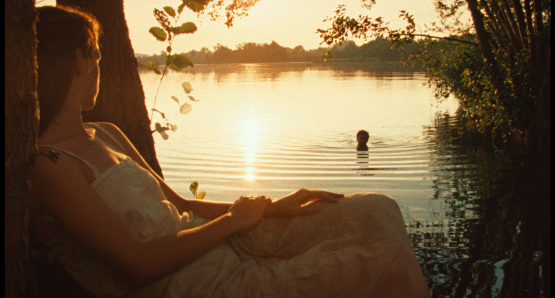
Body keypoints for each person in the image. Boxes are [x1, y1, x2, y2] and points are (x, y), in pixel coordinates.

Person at [31, 5, 430, 298]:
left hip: (219, 242)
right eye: (96, 53)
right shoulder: (51, 163)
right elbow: (138, 265)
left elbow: (182, 203)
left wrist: (269, 207)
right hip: (194, 284)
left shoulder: (106, 132)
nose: (100, 64)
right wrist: (236, 221)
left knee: (378, 210)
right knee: (387, 260)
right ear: (76, 61)